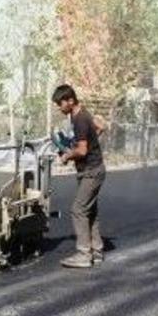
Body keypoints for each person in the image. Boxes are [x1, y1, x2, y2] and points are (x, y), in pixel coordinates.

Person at [52, 84, 105, 268]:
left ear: (70, 101)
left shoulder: (80, 119)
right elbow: (99, 127)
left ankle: (84, 254)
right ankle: (96, 252)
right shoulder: (80, 115)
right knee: (90, 212)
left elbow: (82, 151)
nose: (59, 107)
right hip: (92, 169)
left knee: (78, 209)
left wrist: (67, 155)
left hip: (91, 171)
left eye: (60, 104)